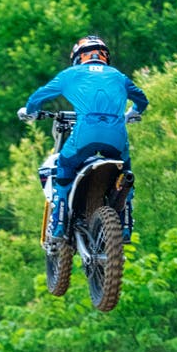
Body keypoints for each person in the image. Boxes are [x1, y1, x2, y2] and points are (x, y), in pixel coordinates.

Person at [18, 35, 149, 242]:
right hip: (116, 135)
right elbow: (142, 99)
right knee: (126, 174)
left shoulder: (70, 74)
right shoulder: (118, 76)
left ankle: (59, 223)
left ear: (79, 57)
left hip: (85, 133)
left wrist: (31, 111)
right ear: (105, 57)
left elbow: (38, 96)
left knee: (64, 166)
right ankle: (125, 223)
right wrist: (132, 113)